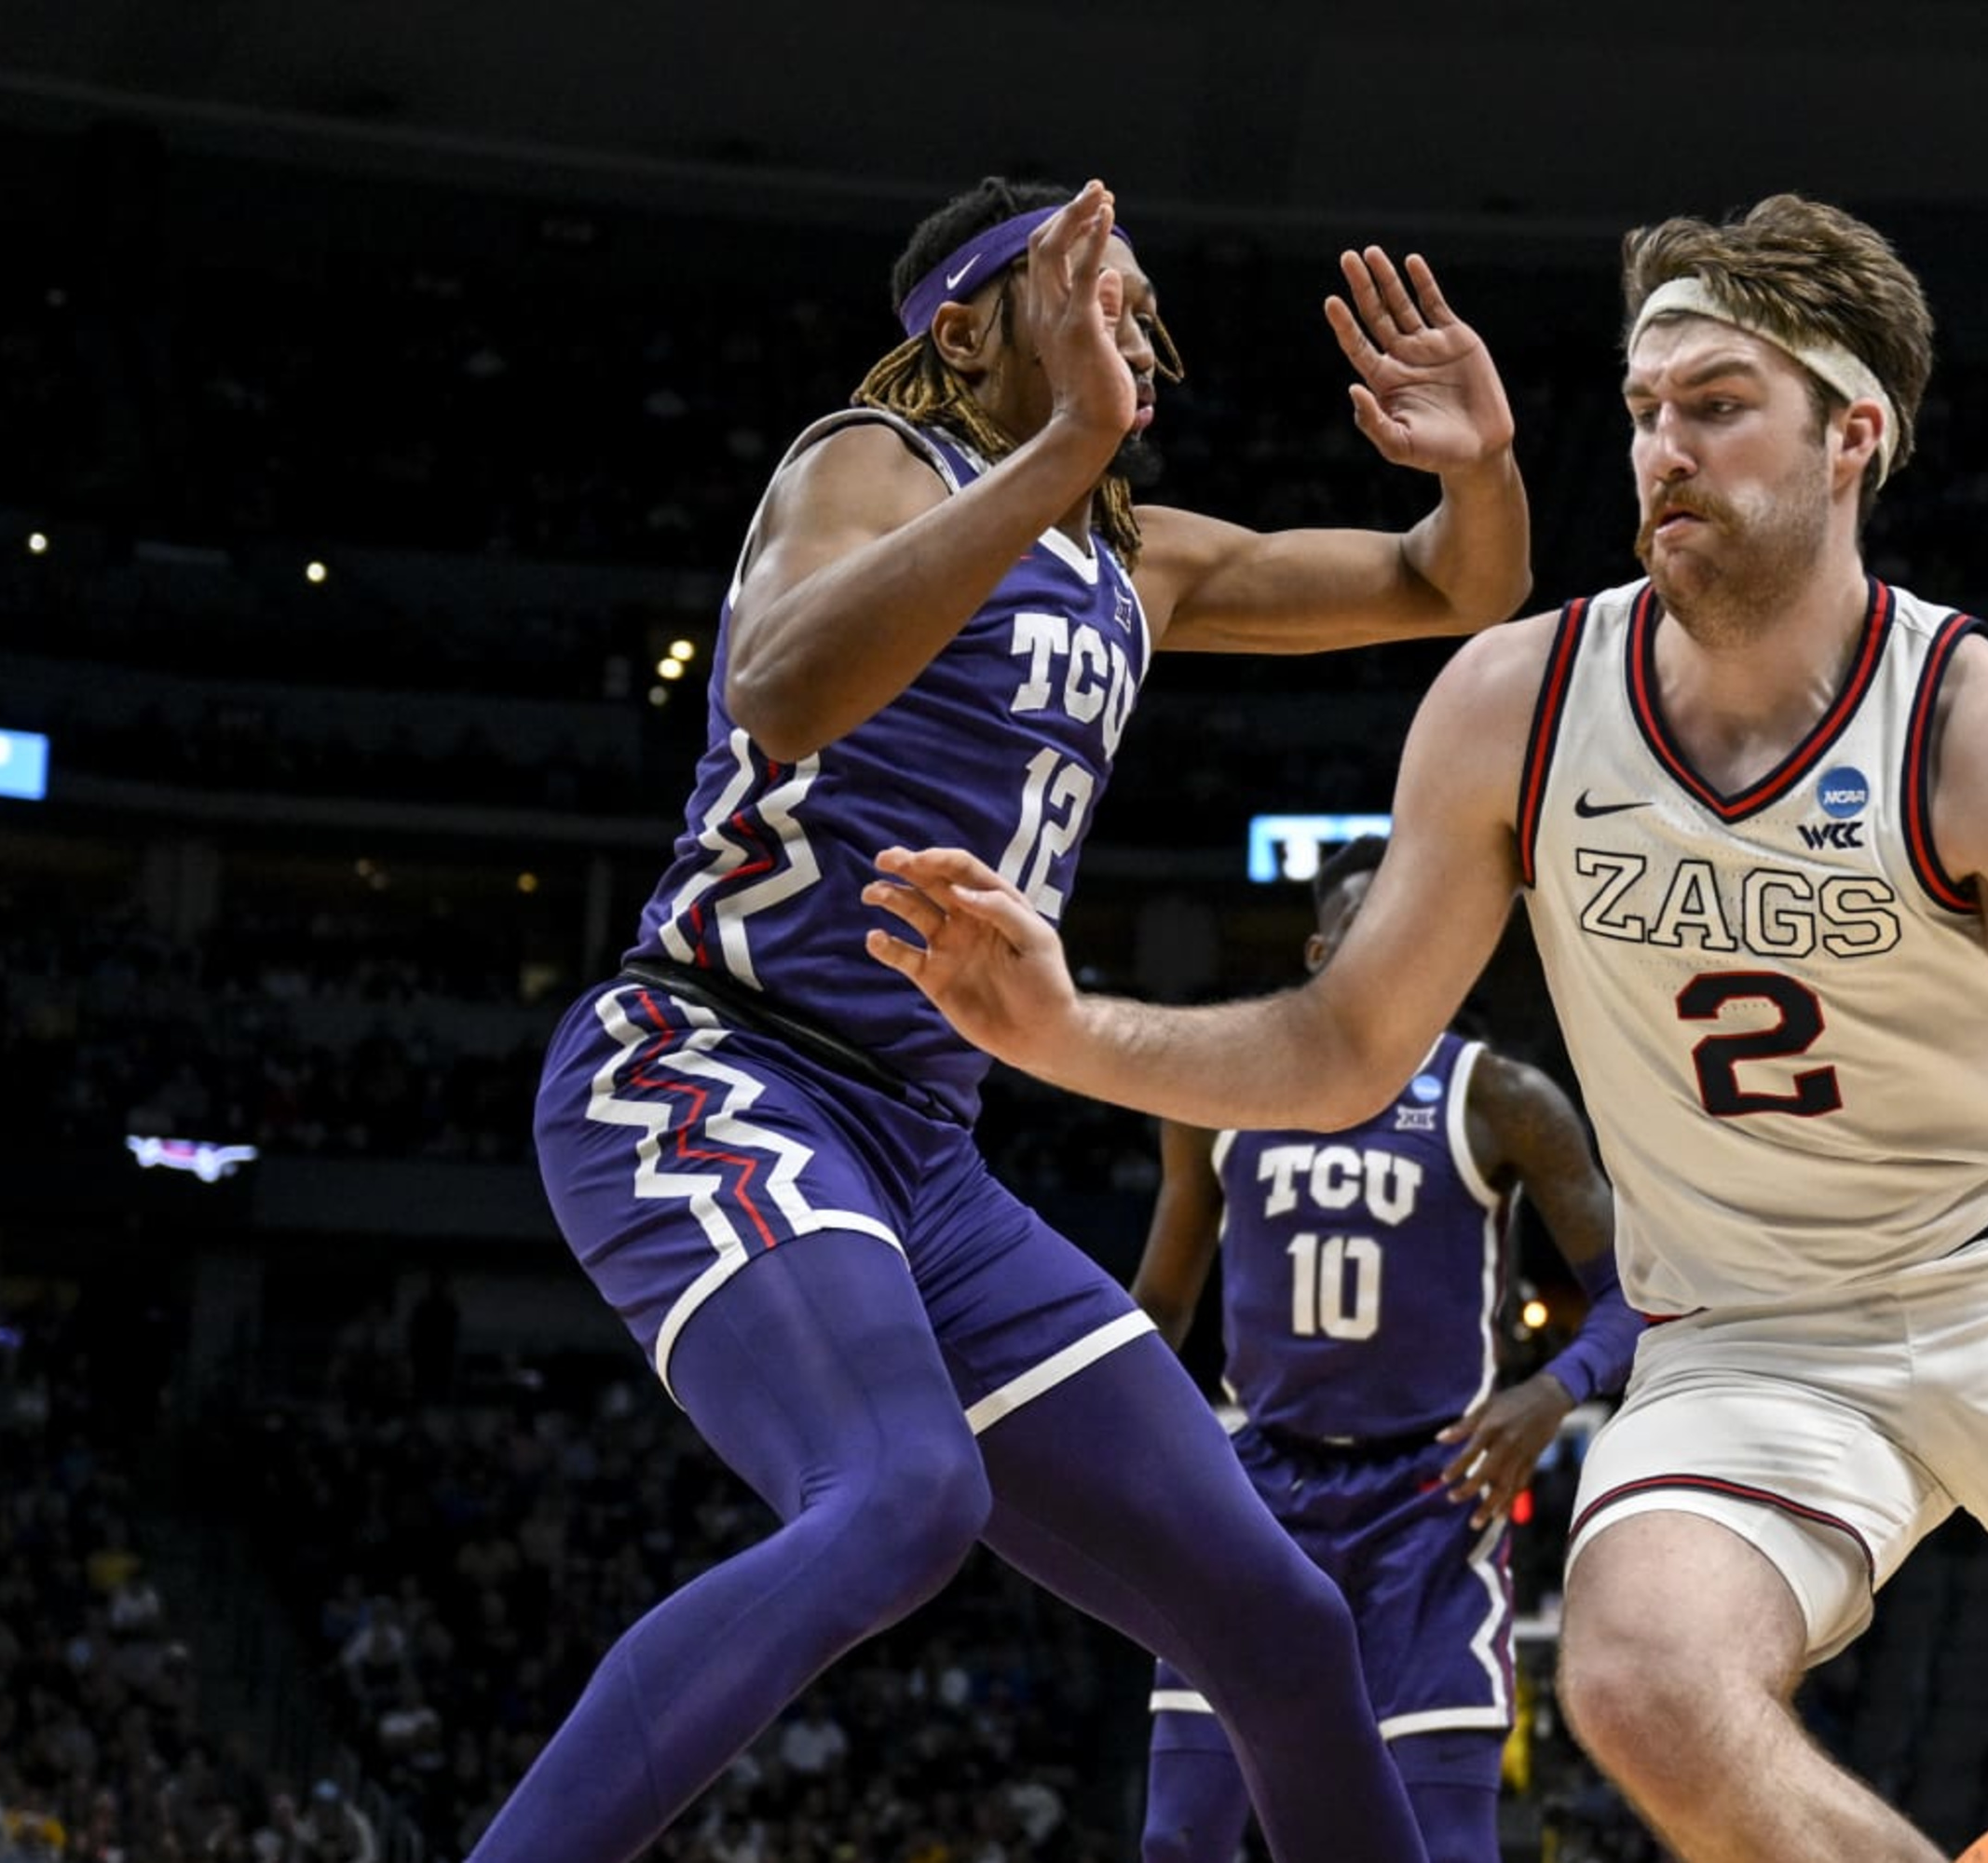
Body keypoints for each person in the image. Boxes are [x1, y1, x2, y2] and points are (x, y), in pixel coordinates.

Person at [864, 192, 1988, 1863]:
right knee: (1643, 1680)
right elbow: (1339, 1049)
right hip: (1745, 1338)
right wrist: (1067, 1028)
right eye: (1644, 412)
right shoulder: (1514, 706)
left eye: (1720, 406)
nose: (1664, 449)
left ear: (1851, 436)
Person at [494, 174, 1531, 1862]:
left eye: (1131, 289)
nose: (1122, 313)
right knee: (901, 1499)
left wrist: (1479, 467)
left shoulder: (1149, 554)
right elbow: (779, 685)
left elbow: (1448, 588)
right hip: (708, 1060)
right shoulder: (872, 458)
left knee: (1278, 1619)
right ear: (969, 328)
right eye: (1077, 284)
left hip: (925, 1145)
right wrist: (1061, 453)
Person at [1135, 832, 1637, 1863]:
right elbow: (1158, 1312)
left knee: (1440, 1844)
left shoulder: (1500, 1097)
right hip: (1260, 1489)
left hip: (1432, 1499)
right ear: (1320, 953)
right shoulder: (1215, 1094)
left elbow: (1638, 1298)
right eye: (1372, 930)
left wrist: (1553, 1390)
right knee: (1183, 1838)